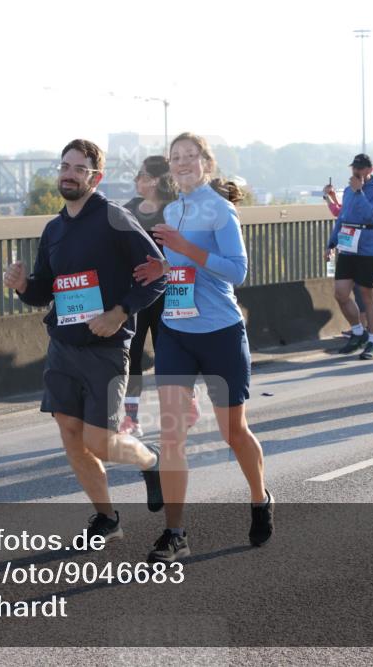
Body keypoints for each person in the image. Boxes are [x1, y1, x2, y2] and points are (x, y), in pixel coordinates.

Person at [5, 139, 167, 540]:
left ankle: (151, 461)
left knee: (101, 441)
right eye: (64, 166)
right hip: (63, 347)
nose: (68, 173)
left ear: (96, 177)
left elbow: (158, 275)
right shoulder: (54, 229)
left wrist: (119, 313)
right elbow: (46, 290)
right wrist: (24, 286)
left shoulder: (115, 219)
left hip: (105, 349)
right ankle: (106, 517)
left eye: (79, 168)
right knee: (72, 438)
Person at [132, 132, 272, 563]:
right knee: (171, 435)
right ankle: (175, 533)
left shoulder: (221, 210)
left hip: (220, 333)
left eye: (191, 156)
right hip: (176, 330)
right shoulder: (173, 209)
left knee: (233, 432)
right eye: (176, 157)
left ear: (206, 164)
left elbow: (238, 271)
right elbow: (181, 266)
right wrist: (163, 264)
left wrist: (184, 248)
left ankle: (259, 497)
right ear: (170, 167)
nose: (183, 162)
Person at [119, 156, 179, 438]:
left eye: (141, 175)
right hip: (137, 293)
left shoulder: (176, 210)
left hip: (169, 293)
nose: (136, 181)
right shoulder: (128, 210)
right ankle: (131, 418)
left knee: (170, 355)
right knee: (133, 355)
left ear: (154, 180)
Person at [322, 154, 373, 360]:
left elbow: (371, 215)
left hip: (369, 247)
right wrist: (331, 243)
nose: (356, 172)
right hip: (348, 245)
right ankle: (358, 332)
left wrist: (359, 192)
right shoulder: (349, 191)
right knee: (341, 293)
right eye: (354, 168)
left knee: (368, 297)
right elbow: (342, 217)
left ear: (370, 170)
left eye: (360, 169)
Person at [322, 182, 369, 334]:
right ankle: (363, 327)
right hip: (351, 248)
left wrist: (328, 198)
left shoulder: (359, 209)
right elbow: (340, 211)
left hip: (353, 249)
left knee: (357, 290)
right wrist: (332, 197)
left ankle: (361, 329)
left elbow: (340, 213)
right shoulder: (364, 206)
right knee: (358, 290)